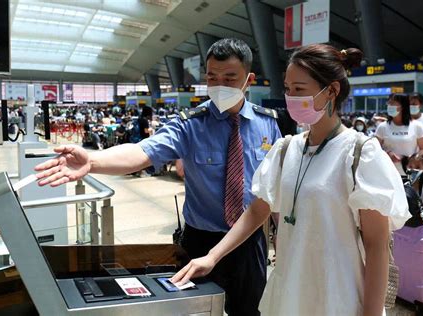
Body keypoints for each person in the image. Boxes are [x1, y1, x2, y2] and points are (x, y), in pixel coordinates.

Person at [34, 38, 281, 316]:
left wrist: (280, 238)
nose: (219, 85)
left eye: (229, 78)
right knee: (195, 310)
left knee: (248, 310)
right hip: (200, 242)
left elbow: (273, 190)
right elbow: (142, 152)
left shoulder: (268, 124)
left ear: (249, 79)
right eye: (212, 77)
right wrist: (93, 161)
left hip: (247, 243)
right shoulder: (191, 124)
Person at [170, 44, 409, 315]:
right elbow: (257, 211)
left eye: (299, 89)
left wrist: (372, 313)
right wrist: (212, 256)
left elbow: (376, 246)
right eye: (287, 89)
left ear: (331, 91)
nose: (290, 98)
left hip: (338, 294)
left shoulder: (360, 155)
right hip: (291, 290)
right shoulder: (285, 150)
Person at [375, 93, 423, 175]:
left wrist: (414, 158)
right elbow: (375, 149)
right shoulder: (382, 127)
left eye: (392, 103)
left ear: (403, 106)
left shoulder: (417, 126)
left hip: (409, 174)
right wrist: (387, 154)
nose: (389, 106)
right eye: (388, 103)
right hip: (387, 173)